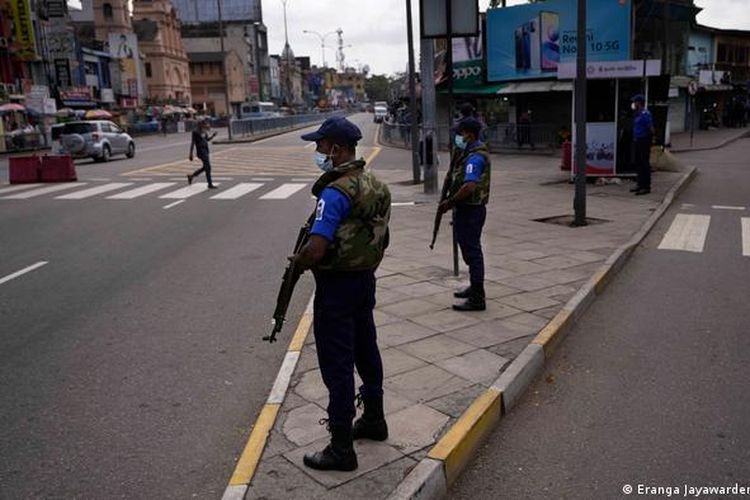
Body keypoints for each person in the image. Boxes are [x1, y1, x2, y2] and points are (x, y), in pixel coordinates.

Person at [293, 116, 391, 472]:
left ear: (336, 148)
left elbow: (317, 246)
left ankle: (340, 447)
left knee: (337, 364)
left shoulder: (334, 192)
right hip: (365, 280)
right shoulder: (376, 185)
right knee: (367, 349)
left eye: (320, 145)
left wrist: (299, 261)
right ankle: (375, 419)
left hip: (335, 288)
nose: (317, 151)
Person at [439, 117, 491, 311]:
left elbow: (469, 185)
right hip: (468, 210)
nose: (457, 136)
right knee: (469, 251)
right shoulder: (468, 152)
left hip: (471, 210)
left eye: (460, 133)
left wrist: (450, 202)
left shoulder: (475, 157)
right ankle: (474, 287)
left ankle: (478, 298)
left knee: (473, 253)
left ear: (468, 133)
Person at [630, 95, 655, 195]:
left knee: (644, 164)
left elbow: (651, 128)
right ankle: (640, 184)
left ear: (639, 103)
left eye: (634, 102)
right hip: (638, 141)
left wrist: (651, 140)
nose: (633, 104)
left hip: (644, 141)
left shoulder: (645, 114)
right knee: (639, 163)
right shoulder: (638, 114)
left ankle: (646, 187)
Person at [187, 118, 218, 188]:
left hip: (206, 150)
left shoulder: (204, 131)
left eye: (204, 123)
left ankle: (191, 176)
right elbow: (193, 142)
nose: (204, 125)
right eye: (202, 123)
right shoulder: (195, 132)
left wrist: (213, 136)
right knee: (208, 167)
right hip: (201, 151)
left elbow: (207, 139)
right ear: (199, 124)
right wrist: (190, 153)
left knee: (206, 167)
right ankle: (210, 184)